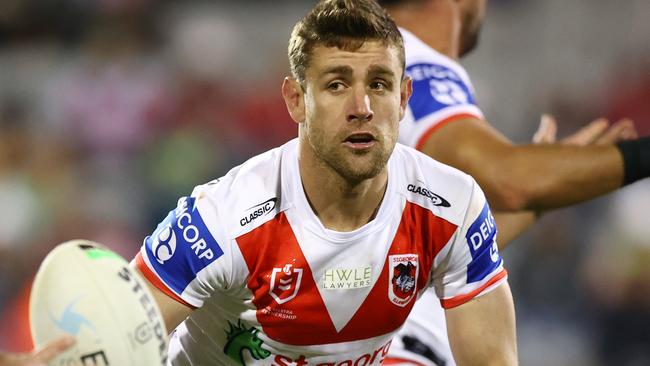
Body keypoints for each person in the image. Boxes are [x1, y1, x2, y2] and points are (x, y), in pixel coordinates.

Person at [126, 0, 517, 365]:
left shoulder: (453, 205)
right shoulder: (220, 220)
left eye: (379, 84)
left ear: (403, 98)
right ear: (296, 99)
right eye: (336, 85)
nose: (362, 108)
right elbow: (117, 335)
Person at [375, 0, 649, 365]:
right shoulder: (407, 60)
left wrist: (552, 187)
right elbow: (511, 180)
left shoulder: (370, 61)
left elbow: (443, 252)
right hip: (398, 350)